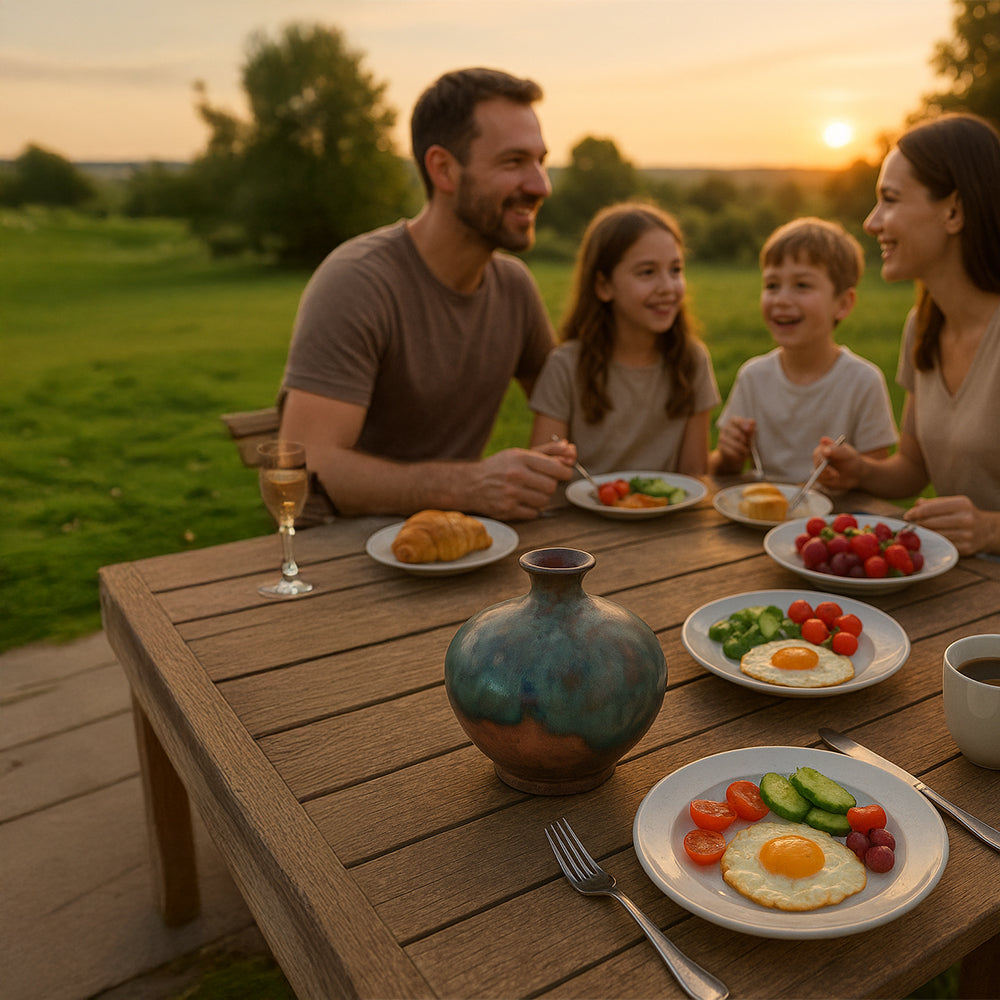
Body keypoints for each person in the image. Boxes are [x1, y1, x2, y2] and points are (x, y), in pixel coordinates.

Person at [278, 68, 575, 520]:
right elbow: (307, 464)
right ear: (443, 169)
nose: (540, 185)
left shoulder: (513, 288)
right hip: (342, 549)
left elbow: (568, 405)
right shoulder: (358, 282)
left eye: (540, 161)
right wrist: (467, 486)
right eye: (514, 162)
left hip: (462, 541)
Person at [815, 113, 1000, 556]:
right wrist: (861, 471)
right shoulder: (924, 324)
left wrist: (991, 530)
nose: (871, 222)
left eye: (890, 200)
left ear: (953, 211)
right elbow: (915, 468)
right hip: (965, 581)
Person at [528, 202, 719, 475]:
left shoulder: (692, 360)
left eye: (675, 270)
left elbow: (694, 474)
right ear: (604, 286)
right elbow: (543, 475)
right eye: (647, 272)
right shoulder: (566, 366)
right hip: (578, 503)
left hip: (668, 504)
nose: (667, 287)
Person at [710, 217, 896, 482]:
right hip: (763, 504)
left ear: (843, 304)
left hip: (834, 509)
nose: (781, 299)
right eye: (772, 285)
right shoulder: (753, 377)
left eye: (802, 285)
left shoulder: (863, 382)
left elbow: (875, 476)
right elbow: (720, 470)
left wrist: (850, 473)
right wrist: (729, 456)